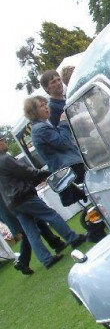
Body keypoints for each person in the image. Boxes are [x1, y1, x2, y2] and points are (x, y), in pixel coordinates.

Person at [0, 132, 85, 269]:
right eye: (2, 140)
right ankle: (72, 238)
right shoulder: (4, 159)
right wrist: (44, 173)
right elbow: (24, 171)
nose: (5, 141)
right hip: (23, 196)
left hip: (12, 203)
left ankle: (46, 260)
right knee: (50, 215)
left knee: (31, 232)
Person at [25, 96, 87, 207]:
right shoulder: (40, 129)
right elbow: (63, 142)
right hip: (70, 167)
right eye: (42, 105)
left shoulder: (41, 126)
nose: (46, 107)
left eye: (45, 104)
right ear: (34, 111)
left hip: (69, 166)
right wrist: (63, 122)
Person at [0, 193, 67, 275]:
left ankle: (56, 243)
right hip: (12, 205)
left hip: (9, 206)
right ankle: (24, 261)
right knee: (30, 229)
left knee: (35, 224)